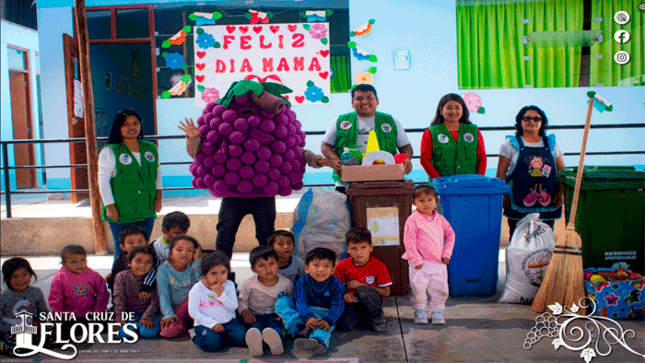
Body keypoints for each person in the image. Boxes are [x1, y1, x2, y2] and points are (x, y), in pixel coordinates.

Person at [179, 118, 339, 262]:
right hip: (233, 195)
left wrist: (316, 160)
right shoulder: (228, 131)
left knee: (266, 238)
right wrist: (193, 138)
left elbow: (295, 150)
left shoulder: (270, 128)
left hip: (263, 194)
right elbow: (199, 153)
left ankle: (269, 275)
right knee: (224, 237)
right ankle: (223, 277)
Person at [321, 84, 414, 193]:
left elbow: (406, 147)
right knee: (345, 209)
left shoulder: (390, 121)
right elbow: (325, 146)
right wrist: (337, 163)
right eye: (359, 98)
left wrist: (406, 160)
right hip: (346, 180)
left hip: (386, 178)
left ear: (377, 101)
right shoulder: (341, 121)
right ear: (352, 103)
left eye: (369, 98)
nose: (364, 102)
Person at [99, 109, 162, 259]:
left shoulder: (150, 148)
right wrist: (110, 206)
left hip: (146, 207)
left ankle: (142, 280)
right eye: (126, 124)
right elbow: (102, 181)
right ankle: (119, 280)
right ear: (118, 127)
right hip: (121, 209)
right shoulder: (110, 151)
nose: (131, 127)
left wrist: (158, 199)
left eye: (135, 123)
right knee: (123, 250)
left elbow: (158, 175)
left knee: (143, 247)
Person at [496, 106, 565, 237]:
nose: (531, 121)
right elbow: (501, 172)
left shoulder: (552, 144)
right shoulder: (510, 144)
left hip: (548, 201)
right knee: (518, 240)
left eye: (536, 118)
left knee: (544, 239)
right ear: (520, 121)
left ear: (542, 122)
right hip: (518, 200)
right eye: (526, 118)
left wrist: (561, 193)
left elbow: (562, 171)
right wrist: (503, 195)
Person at [274, 247, 345, 356]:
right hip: (302, 313)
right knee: (282, 301)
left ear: (332, 270)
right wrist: (307, 316)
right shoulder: (302, 282)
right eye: (316, 265)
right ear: (307, 268)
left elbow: (338, 305)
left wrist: (329, 320)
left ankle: (317, 342)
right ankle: (298, 328)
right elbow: (300, 300)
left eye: (326, 266)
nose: (321, 270)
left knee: (322, 327)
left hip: (324, 315)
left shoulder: (337, 285)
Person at [402, 185, 455, 325]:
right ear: (413, 202)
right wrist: (416, 258)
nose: (426, 203)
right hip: (419, 263)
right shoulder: (413, 220)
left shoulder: (441, 220)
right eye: (421, 200)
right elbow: (409, 241)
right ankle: (420, 310)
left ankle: (437, 311)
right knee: (418, 288)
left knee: (440, 288)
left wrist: (447, 253)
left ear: (436, 201)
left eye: (430, 200)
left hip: (438, 262)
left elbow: (450, 236)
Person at [238, 246, 293, 356]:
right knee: (255, 329)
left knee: (276, 327)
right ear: (254, 269)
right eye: (262, 265)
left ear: (278, 264)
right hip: (255, 315)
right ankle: (257, 345)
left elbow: (290, 301)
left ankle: (277, 343)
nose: (268, 269)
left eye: (272, 264)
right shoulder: (249, 284)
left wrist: (286, 315)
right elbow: (241, 300)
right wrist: (245, 312)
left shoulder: (286, 283)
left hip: (276, 315)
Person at [334, 228, 391, 332]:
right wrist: (345, 294)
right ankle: (361, 318)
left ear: (371, 248)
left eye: (363, 247)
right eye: (354, 248)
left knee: (363, 291)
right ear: (348, 249)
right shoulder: (342, 266)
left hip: (371, 300)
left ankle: (377, 317)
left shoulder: (379, 266)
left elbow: (386, 292)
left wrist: (360, 285)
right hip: (353, 301)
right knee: (344, 325)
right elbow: (337, 289)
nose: (359, 252)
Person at [187, 251, 245, 352]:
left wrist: (221, 294)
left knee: (242, 338)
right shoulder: (197, 289)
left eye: (223, 272)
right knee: (212, 345)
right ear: (204, 274)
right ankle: (195, 335)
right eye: (213, 273)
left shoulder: (229, 285)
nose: (219, 277)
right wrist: (212, 324)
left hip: (228, 322)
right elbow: (193, 312)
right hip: (206, 324)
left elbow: (233, 306)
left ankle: (221, 337)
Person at [420, 93, 487, 180]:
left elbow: (482, 158)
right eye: (449, 108)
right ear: (441, 110)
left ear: (463, 110)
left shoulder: (474, 131)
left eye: (457, 107)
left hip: (470, 185)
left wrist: (479, 180)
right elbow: (424, 160)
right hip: (442, 187)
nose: (453, 112)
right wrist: (440, 181)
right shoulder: (431, 132)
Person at [48, 245, 110, 339]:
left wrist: (97, 313)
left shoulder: (93, 275)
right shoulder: (59, 278)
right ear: (64, 264)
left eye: (82, 260)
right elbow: (55, 300)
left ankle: (86, 330)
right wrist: (59, 316)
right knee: (61, 331)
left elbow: (103, 294)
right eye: (73, 262)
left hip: (90, 314)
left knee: (109, 323)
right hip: (70, 316)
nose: (79, 264)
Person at [1, 258, 50, 357]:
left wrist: (39, 322)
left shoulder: (36, 292)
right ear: (7, 279)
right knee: (16, 347)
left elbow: (44, 312)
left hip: (33, 330)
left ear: (31, 274)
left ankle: (31, 344)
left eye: (24, 274)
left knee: (57, 334)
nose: (20, 279)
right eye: (14, 276)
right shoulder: (3, 297)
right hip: (11, 333)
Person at [157, 236, 202, 339]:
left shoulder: (194, 266)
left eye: (189, 250)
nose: (184, 253)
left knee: (194, 296)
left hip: (193, 306)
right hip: (175, 309)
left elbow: (202, 284)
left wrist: (197, 261)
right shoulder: (164, 269)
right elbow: (163, 294)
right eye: (179, 250)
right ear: (170, 253)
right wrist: (168, 314)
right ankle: (186, 324)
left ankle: (190, 322)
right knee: (168, 332)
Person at [113, 246, 162, 339]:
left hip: (151, 314)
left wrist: (147, 317)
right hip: (130, 314)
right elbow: (119, 298)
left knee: (148, 333)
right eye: (138, 261)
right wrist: (119, 318)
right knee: (122, 334)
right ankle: (136, 326)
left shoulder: (153, 279)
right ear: (129, 263)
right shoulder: (121, 277)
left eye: (148, 262)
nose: (142, 265)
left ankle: (140, 327)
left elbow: (156, 301)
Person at [142, 211, 197, 294]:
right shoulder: (155, 246)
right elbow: (153, 269)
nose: (181, 236)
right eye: (177, 233)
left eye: (184, 232)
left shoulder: (192, 245)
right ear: (164, 230)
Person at [106, 225, 149, 294]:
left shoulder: (151, 260)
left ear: (147, 243)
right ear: (122, 247)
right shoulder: (119, 262)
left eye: (140, 241)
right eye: (130, 243)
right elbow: (113, 286)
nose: (136, 245)